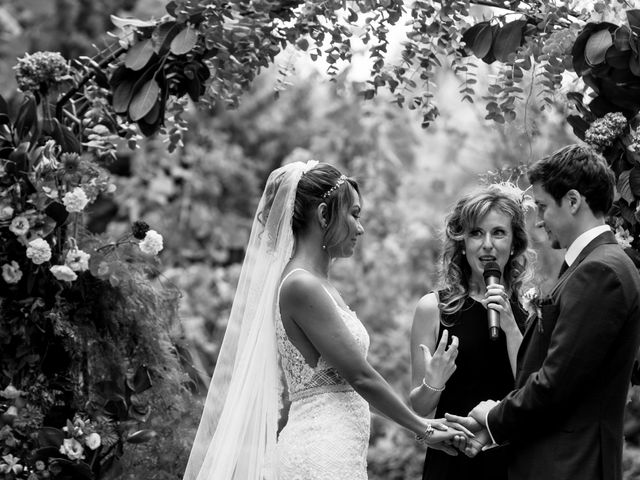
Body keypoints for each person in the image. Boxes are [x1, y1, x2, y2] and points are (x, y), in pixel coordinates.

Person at [182, 160, 471, 480]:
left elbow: (346, 388)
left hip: (338, 452)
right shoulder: (301, 285)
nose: (360, 228)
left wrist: (420, 426)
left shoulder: (319, 285)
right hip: (318, 455)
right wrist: (423, 429)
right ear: (323, 215)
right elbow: (361, 376)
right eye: (355, 214)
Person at [448, 144, 640, 480]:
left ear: (573, 201)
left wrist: (493, 418)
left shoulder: (600, 271)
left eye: (543, 207)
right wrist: (491, 431)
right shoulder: (594, 265)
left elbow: (555, 382)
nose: (538, 221)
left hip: (570, 465)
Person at [409, 183, 533, 480]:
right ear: (462, 243)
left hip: (513, 462)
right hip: (452, 462)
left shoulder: (531, 309)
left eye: (498, 233)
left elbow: (533, 391)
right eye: (476, 233)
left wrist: (511, 327)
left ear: (514, 243)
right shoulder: (434, 308)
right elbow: (420, 408)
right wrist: (433, 382)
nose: (487, 244)